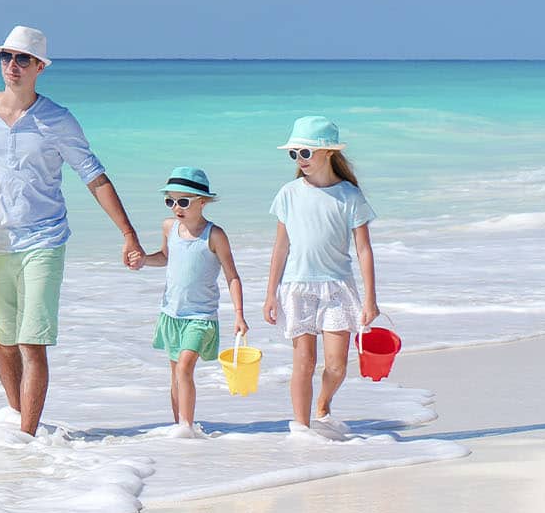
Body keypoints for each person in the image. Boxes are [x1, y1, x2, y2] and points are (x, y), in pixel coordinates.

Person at [0, 25, 145, 436]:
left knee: (33, 341)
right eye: (6, 57)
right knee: (6, 340)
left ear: (40, 67)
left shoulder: (57, 120)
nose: (12, 66)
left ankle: (27, 440)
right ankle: (19, 423)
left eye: (22, 59)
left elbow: (94, 177)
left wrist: (128, 233)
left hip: (43, 240)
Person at [261, 116, 379, 440]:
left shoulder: (349, 196)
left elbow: (364, 250)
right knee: (304, 360)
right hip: (297, 286)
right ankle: (300, 428)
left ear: (328, 152)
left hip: (338, 286)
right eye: (294, 154)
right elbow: (280, 247)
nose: (300, 160)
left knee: (337, 364)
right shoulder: (288, 194)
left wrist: (370, 298)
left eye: (306, 152)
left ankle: (323, 408)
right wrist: (270, 294)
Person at [137, 167, 248, 438]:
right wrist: (143, 260)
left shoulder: (214, 235)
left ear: (202, 201)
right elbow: (165, 257)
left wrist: (239, 315)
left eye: (183, 201)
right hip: (171, 313)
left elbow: (232, 276)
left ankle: (186, 428)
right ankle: (180, 428)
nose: (176, 207)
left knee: (185, 366)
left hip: (201, 316)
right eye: (170, 201)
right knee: (175, 373)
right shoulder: (169, 227)